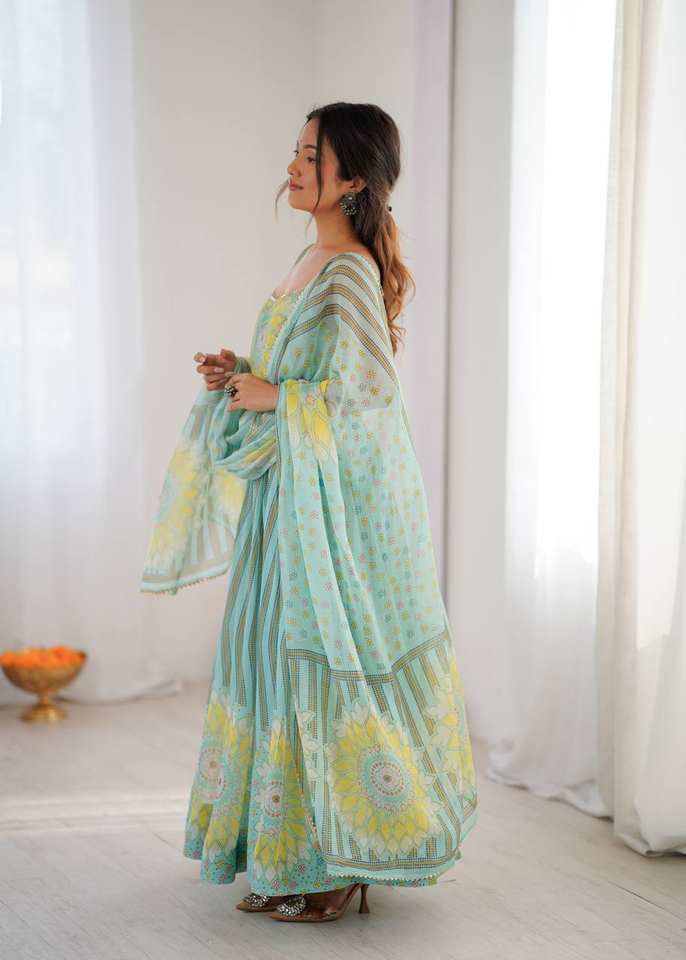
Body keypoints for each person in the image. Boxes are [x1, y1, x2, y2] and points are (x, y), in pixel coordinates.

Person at [140, 101, 478, 923]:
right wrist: (243, 373)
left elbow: (369, 403)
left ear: (352, 178)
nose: (292, 167)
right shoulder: (307, 260)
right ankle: (284, 852)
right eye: (295, 151)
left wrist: (278, 397)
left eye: (309, 156)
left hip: (326, 520)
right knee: (268, 659)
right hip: (282, 503)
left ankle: (338, 864)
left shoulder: (349, 274)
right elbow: (306, 372)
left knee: (313, 663)